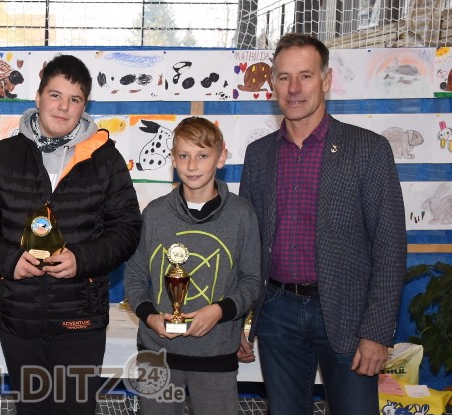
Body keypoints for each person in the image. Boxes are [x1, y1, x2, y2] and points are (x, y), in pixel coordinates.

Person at [239, 33, 406, 415]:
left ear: (326, 80)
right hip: (277, 312)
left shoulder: (369, 149)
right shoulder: (258, 154)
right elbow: (248, 247)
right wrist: (241, 322)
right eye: (284, 77)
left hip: (350, 314)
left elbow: (390, 246)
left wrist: (377, 332)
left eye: (306, 76)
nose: (294, 88)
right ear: (272, 85)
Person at [0, 54, 142, 415]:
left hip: (80, 317)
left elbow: (126, 229)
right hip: (19, 316)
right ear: (38, 97)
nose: (63, 107)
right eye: (55, 95)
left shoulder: (105, 159)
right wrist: (8, 261)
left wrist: (82, 259)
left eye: (74, 99)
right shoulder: (2, 156)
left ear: (84, 106)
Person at [123, 117, 261, 415]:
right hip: (157, 353)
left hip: (216, 354)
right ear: (173, 159)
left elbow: (252, 280)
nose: (192, 165)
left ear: (221, 158)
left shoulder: (242, 215)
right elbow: (134, 276)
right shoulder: (155, 213)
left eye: (202, 155)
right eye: (184, 155)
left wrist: (219, 311)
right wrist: (150, 316)